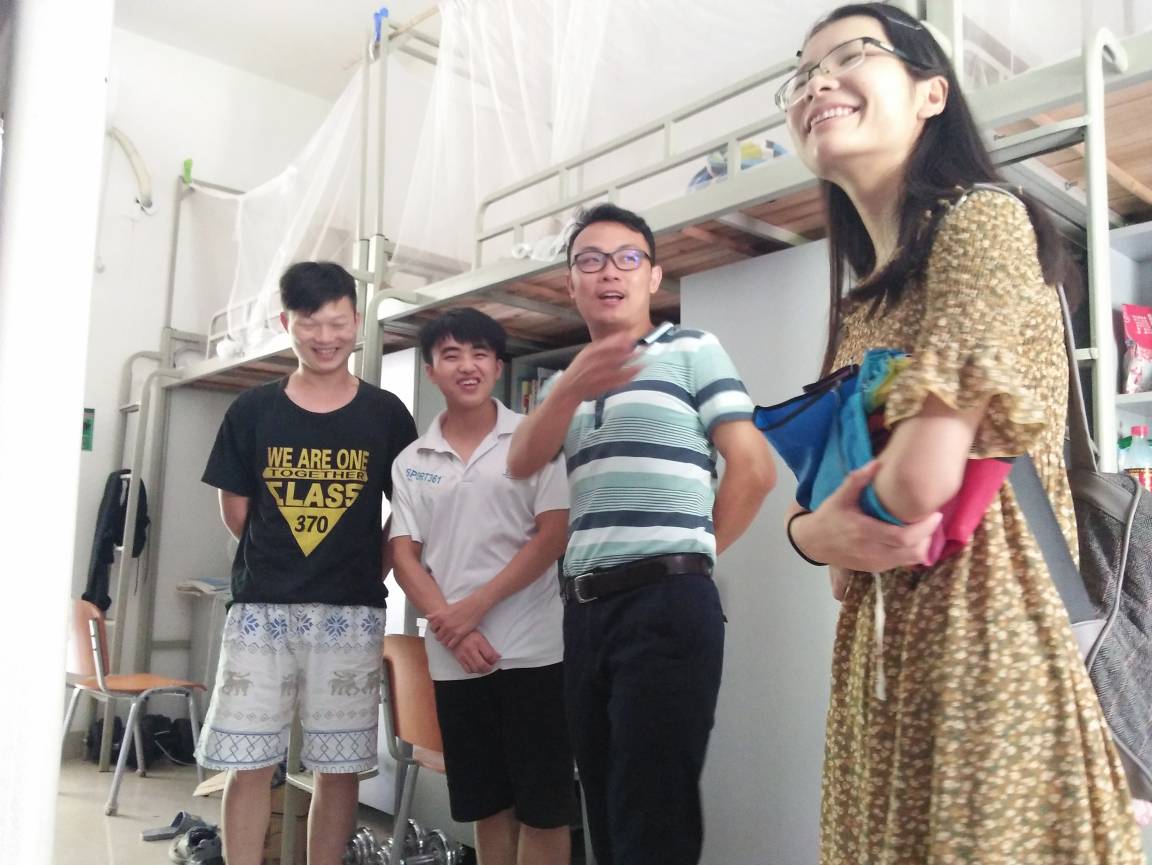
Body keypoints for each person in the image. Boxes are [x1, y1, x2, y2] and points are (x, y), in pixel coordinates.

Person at [777, 5, 1143, 863]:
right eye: (801, 75)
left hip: (988, 651)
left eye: (850, 55)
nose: (817, 83)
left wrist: (826, 527)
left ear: (931, 93)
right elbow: (838, 550)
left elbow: (915, 488)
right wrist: (813, 534)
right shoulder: (865, 303)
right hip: (886, 665)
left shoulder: (981, 218)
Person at [507, 202, 776, 865]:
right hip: (585, 611)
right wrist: (570, 385)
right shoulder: (569, 381)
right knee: (604, 811)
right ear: (572, 282)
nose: (609, 272)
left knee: (652, 817)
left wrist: (689, 555)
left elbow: (754, 469)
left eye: (628, 258)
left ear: (653, 277)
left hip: (666, 604)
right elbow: (520, 461)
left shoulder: (691, 349)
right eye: (590, 260)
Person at [196, 261, 417, 865]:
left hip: (351, 614)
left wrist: (373, 564)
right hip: (261, 612)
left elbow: (411, 509)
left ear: (356, 323)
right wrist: (286, 558)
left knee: (338, 769)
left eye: (338, 322)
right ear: (285, 323)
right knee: (248, 764)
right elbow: (236, 510)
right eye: (310, 322)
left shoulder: (386, 413)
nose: (325, 337)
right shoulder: (252, 410)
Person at [388, 308, 574, 865]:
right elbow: (404, 556)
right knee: (486, 803)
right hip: (455, 660)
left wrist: (471, 610)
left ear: (497, 366)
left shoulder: (535, 439)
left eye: (479, 354)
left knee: (544, 807)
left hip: (534, 651)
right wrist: (455, 630)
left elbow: (553, 534)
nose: (466, 366)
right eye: (451, 355)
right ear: (431, 371)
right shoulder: (412, 460)